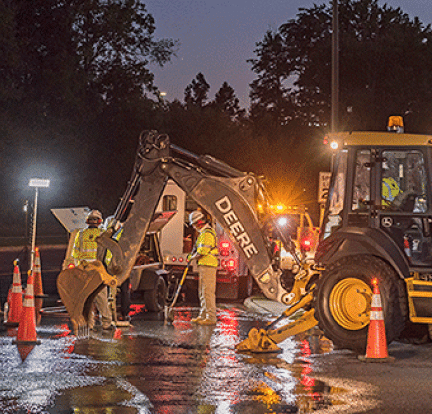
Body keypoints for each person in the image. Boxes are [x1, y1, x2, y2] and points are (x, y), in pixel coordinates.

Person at [72, 209, 115, 331]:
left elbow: (75, 253)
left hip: (85, 271)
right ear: (100, 221)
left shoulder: (80, 234)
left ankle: (87, 324)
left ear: (87, 221)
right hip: (98, 271)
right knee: (101, 298)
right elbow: (109, 253)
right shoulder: (103, 234)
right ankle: (106, 323)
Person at [188, 210, 219, 326]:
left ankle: (211, 317)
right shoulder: (203, 233)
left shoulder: (207, 233)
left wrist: (191, 257)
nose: (194, 227)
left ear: (199, 223)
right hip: (205, 265)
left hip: (208, 265)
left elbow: (202, 252)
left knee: (208, 292)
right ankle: (203, 314)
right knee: (203, 292)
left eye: (194, 225)